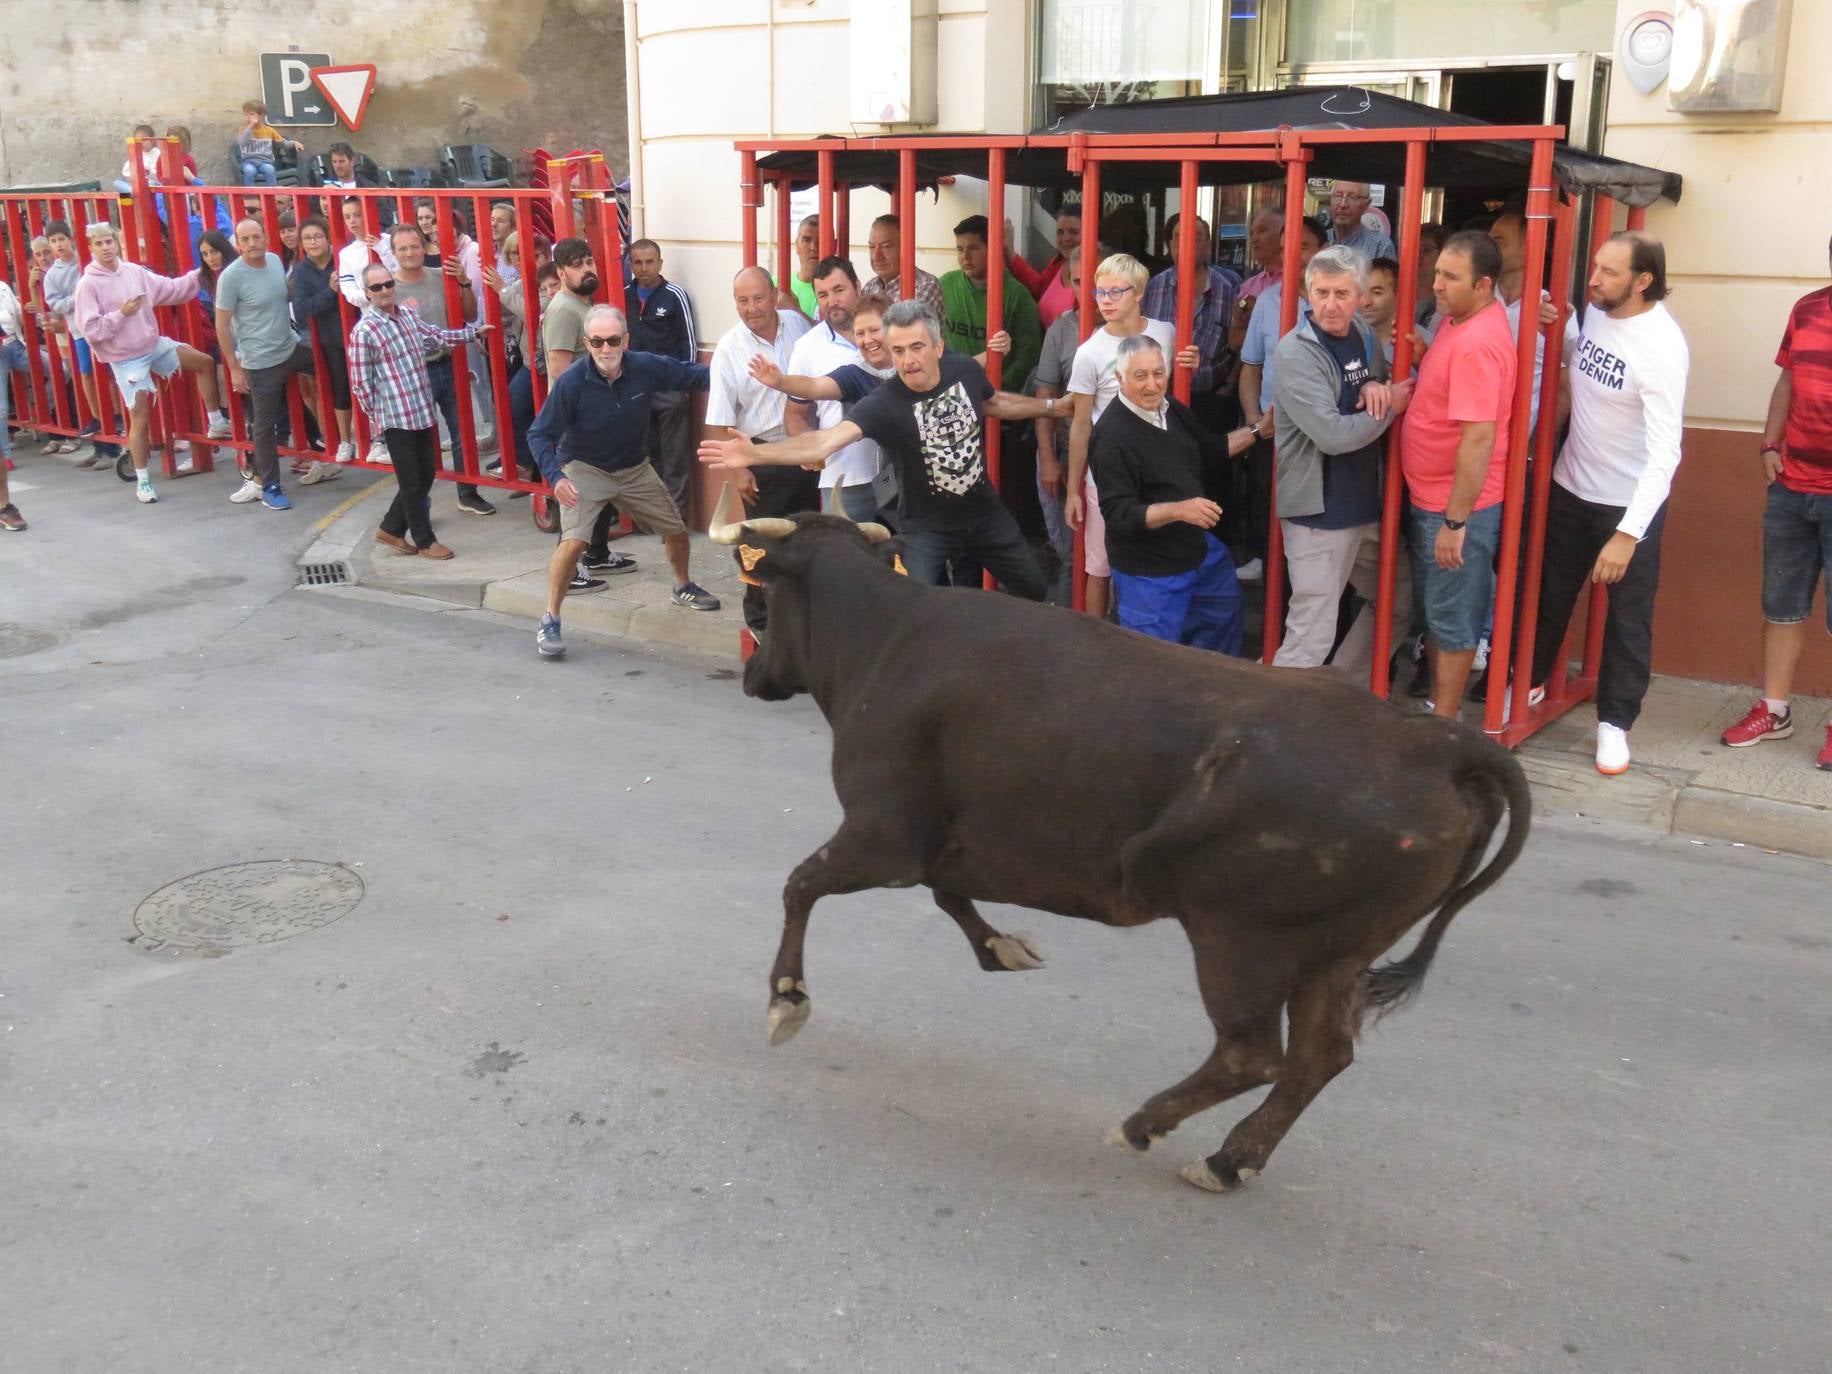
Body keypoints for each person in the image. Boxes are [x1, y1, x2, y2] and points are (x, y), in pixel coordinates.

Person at [699, 300, 1057, 599]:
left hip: (984, 516)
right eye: (898, 351)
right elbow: (824, 440)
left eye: (916, 348)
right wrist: (757, 454)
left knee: (1035, 587)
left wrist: (1055, 408)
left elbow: (994, 405)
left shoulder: (963, 369)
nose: (907, 360)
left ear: (938, 347)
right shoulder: (883, 402)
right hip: (927, 529)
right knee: (912, 607)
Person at [1520, 232, 1690, 775]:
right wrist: (1559, 323)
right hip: (1572, 486)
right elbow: (1581, 362)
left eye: (1609, 272)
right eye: (1595, 266)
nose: (1594, 278)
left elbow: (1667, 452)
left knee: (1627, 622)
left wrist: (1628, 533)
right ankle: (1527, 683)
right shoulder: (1596, 313)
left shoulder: (1662, 347)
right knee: (1547, 593)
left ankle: (1615, 725)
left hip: (1628, 506)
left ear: (1643, 281)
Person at [529, 304, 718, 658]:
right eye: (597, 342)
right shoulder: (572, 382)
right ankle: (551, 617)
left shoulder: (644, 367)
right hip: (585, 468)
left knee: (676, 529)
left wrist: (742, 371)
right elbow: (539, 434)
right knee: (573, 543)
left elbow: (692, 375)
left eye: (613, 340)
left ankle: (683, 585)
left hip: (633, 468)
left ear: (625, 340)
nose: (606, 349)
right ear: (586, 343)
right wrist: (555, 478)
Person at [1270, 244, 1413, 674]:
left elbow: (1373, 379)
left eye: (1342, 294)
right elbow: (1332, 435)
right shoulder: (1295, 352)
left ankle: (1338, 695)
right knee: (1309, 639)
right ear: (1307, 294)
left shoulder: (1364, 334)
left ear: (1360, 296)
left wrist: (1375, 384)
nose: (1331, 305)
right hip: (1319, 516)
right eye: (1321, 294)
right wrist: (1392, 407)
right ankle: (1273, 730)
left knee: (1399, 601)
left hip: (1364, 507)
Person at [1720, 231, 1832, 771]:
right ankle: (1775, 709)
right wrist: (1769, 442)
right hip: (1792, 485)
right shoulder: (1807, 309)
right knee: (1782, 608)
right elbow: (1787, 379)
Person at [1399, 229, 1517, 719]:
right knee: (1442, 609)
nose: (1438, 284)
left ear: (1484, 284)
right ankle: (1437, 709)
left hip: (1453, 506)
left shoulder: (1475, 343)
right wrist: (1427, 361)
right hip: (1435, 497)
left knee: (1453, 617)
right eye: (1438, 273)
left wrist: (1455, 522)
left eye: (1451, 277)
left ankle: (1442, 724)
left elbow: (1478, 439)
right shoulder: (1460, 320)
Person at [1092, 335, 1256, 651]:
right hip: (1149, 571)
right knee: (1151, 664)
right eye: (1141, 376)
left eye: (1158, 373)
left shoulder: (1171, 408)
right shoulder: (1110, 436)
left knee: (1224, 622)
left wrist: (1260, 430)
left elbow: (1212, 449)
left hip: (1198, 550)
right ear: (1120, 378)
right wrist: (1179, 510)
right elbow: (1119, 514)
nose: (1152, 384)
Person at [1066, 252, 1198, 620]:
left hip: (1161, 470)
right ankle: (1095, 645)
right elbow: (1081, 423)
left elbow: (1176, 390)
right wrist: (1073, 488)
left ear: (1139, 292)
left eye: (1115, 292)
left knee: (1153, 559)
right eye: (1099, 292)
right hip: (1108, 474)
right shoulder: (1089, 352)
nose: (1104, 300)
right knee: (1100, 566)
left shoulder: (1166, 332)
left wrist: (1193, 363)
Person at [348, 261, 496, 561]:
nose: (385, 291)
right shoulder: (364, 332)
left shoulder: (407, 316)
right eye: (376, 287)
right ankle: (425, 540)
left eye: (388, 284)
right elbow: (361, 384)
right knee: (412, 481)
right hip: (396, 418)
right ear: (367, 292)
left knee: (426, 474)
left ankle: (391, 528)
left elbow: (436, 336)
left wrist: (472, 334)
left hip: (421, 411)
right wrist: (379, 419)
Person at [72, 221, 222, 505]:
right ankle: (142, 479)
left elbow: (172, 289)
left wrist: (203, 272)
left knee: (203, 362)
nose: (106, 247)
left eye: (109, 242)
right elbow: (90, 330)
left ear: (116, 243)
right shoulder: (87, 284)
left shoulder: (134, 272)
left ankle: (215, 421)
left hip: (153, 345)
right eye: (99, 244)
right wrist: (121, 314)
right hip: (125, 359)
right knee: (140, 418)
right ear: (90, 248)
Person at [705, 266, 816, 636]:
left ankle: (804, 621)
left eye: (757, 298)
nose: (751, 308)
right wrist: (738, 470)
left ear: (774, 295)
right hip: (761, 456)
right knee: (763, 546)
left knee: (807, 539)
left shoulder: (797, 326)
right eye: (742, 300)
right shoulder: (728, 349)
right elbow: (720, 419)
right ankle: (762, 624)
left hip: (806, 452)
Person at [216, 217, 333, 509]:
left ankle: (337, 447)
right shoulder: (231, 277)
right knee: (264, 426)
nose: (253, 244)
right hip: (259, 361)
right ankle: (268, 486)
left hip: (290, 347)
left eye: (257, 237)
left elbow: (285, 295)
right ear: (238, 244)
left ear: (266, 237)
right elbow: (222, 323)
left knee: (335, 369)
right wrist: (233, 366)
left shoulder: (274, 261)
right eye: (246, 240)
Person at [1236, 215, 1327, 580]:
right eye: (1290, 246)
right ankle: (1268, 564)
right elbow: (1250, 368)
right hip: (1273, 428)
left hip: (1323, 434)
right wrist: (1254, 420)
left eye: (1305, 246)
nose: (1298, 255)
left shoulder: (1340, 302)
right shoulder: (1268, 301)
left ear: (1323, 250)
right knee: (1267, 503)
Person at [387, 220, 493, 515]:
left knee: (463, 433)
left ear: (423, 248)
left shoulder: (440, 276)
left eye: (414, 246)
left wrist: (463, 283)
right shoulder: (389, 288)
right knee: (418, 442)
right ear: (394, 253)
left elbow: (469, 315)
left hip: (447, 364)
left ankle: (467, 492)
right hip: (412, 372)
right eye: (402, 248)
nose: (409, 253)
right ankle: (418, 505)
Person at [778, 257, 891, 523]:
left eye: (839, 290)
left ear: (858, 286)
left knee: (900, 559)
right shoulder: (807, 347)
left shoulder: (889, 331)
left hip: (896, 475)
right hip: (843, 478)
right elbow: (795, 415)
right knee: (847, 558)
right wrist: (810, 447)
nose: (831, 301)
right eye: (823, 295)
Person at [1141, 213, 1242, 428]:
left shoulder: (1230, 286)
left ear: (1207, 244)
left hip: (1212, 402)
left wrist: (1229, 386)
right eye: (1178, 236)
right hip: (1162, 400)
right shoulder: (1153, 287)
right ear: (1170, 244)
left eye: (1195, 236)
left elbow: (1243, 342)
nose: (1185, 241)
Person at [624, 238, 699, 514]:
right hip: (636, 392)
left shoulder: (674, 295)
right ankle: (655, 516)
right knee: (646, 456)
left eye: (650, 262)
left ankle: (675, 519)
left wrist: (682, 386)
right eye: (638, 263)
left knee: (675, 456)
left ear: (660, 263)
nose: (644, 268)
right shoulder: (624, 296)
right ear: (630, 265)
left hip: (670, 391)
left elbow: (688, 343)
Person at [41, 221, 119, 461]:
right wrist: (78, 298)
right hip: (78, 331)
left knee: (109, 373)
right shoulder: (52, 275)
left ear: (71, 239)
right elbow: (55, 303)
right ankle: (98, 416)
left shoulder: (85, 264)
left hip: (100, 325)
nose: (58, 245)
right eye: (53, 241)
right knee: (85, 374)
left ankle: (116, 414)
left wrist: (78, 297)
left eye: (61, 239)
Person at [1029, 250, 1084, 587]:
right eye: (1078, 281)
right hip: (1063, 451)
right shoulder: (1062, 329)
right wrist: (1048, 458)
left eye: (1096, 280)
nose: (1088, 289)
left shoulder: (1140, 329)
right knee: (1070, 558)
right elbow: (1044, 396)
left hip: (1112, 460)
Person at [938, 215, 1041, 391]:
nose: (965, 256)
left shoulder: (1017, 295)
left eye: (973, 248)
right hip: (949, 388)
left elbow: (1029, 354)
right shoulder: (945, 284)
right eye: (960, 249)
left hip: (996, 397)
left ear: (992, 247)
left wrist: (998, 386)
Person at [289, 215, 357, 463]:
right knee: (340, 389)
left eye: (318, 236)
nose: (313, 241)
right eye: (307, 238)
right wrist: (330, 292)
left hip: (358, 334)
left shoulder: (344, 259)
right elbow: (302, 309)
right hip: (331, 339)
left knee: (370, 387)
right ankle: (345, 441)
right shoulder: (302, 271)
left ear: (328, 237)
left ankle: (377, 439)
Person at [1013, 206, 1082, 327]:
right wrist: (1010, 254)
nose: (1065, 238)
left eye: (1073, 232)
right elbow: (1038, 288)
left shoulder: (1098, 272)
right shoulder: (1057, 263)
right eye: (1060, 232)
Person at [862, 214, 944, 315]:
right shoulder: (870, 287)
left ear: (905, 247)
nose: (876, 256)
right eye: (872, 247)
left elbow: (910, 329)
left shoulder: (924, 286)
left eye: (886, 247)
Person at [234, 100, 301, 187]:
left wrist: (293, 143)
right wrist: (250, 126)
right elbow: (242, 142)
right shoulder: (244, 130)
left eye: (251, 114)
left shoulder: (269, 131)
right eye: (246, 114)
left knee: (270, 169)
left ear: (262, 115)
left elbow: (282, 143)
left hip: (265, 162)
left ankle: (271, 195)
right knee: (249, 171)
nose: (248, 117)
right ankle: (251, 196)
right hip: (249, 162)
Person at [1326, 181, 1396, 261]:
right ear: (1330, 200)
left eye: (1352, 197)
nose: (1343, 204)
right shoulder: (1320, 239)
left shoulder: (1380, 246)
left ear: (1366, 205)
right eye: (1338, 196)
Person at [787, 214, 822, 319]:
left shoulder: (836, 289)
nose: (813, 247)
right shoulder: (777, 284)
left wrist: (796, 310)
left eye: (821, 241)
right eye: (806, 240)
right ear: (797, 245)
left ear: (834, 245)